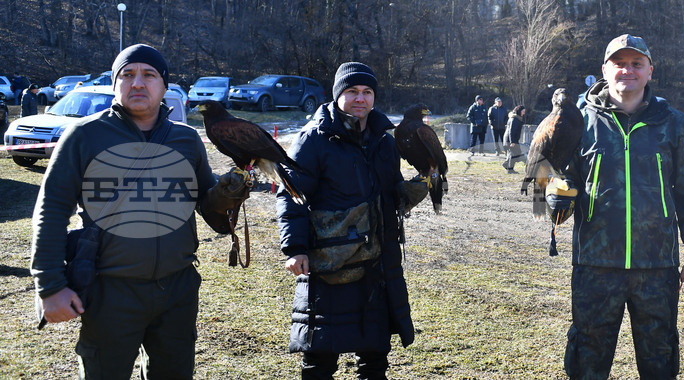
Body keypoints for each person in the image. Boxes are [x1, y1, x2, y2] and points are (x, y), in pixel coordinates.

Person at [30, 44, 249, 378]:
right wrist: (50, 285)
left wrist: (225, 196)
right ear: (115, 83)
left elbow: (207, 206)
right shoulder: (84, 136)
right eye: (127, 75)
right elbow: (52, 209)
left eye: (149, 75)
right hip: (110, 291)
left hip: (178, 291)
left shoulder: (186, 139)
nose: (137, 83)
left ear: (164, 87)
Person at [556, 33, 684, 379]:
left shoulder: (674, 123)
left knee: (660, 358)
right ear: (604, 69)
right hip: (595, 265)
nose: (627, 70)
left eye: (636, 64)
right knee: (586, 358)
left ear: (649, 71)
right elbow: (550, 177)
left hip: (656, 268)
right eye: (619, 63)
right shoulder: (578, 122)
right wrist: (552, 195)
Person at [277, 62, 416, 379]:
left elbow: (389, 190)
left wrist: (409, 192)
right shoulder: (314, 139)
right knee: (321, 360)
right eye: (352, 91)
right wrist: (295, 247)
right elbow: (290, 194)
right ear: (337, 94)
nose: (360, 99)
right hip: (332, 265)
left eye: (367, 92)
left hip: (378, 264)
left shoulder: (385, 141)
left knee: (375, 358)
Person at [501, 105, 526, 173]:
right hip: (510, 140)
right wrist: (512, 142)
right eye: (523, 111)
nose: (524, 113)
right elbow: (511, 131)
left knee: (516, 153)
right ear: (519, 111)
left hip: (512, 139)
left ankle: (506, 164)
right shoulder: (514, 119)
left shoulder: (517, 118)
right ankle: (510, 169)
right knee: (514, 154)